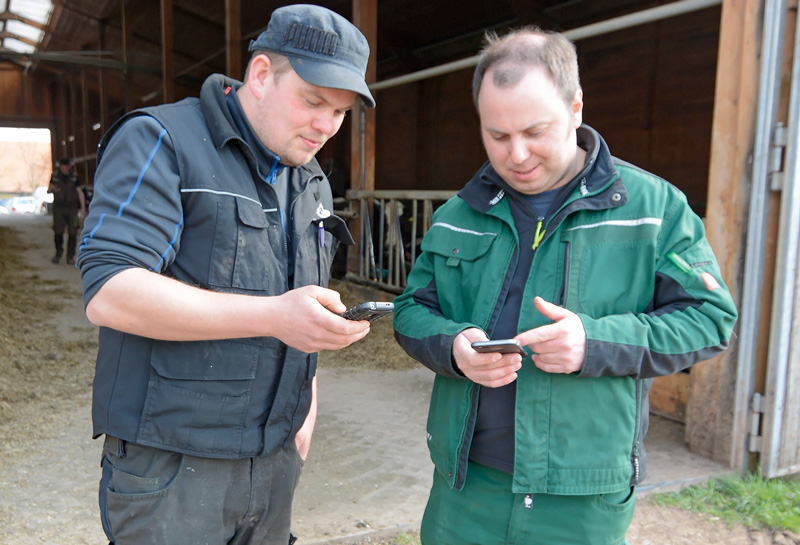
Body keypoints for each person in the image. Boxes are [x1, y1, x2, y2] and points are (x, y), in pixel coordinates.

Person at [393, 27, 738, 545]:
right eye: (497, 135)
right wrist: (453, 347)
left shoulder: (653, 210)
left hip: (581, 498)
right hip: (465, 489)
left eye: (536, 131)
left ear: (576, 108)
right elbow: (410, 310)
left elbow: (710, 319)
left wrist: (593, 343)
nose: (517, 155)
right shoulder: (457, 216)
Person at [76, 5, 375, 545]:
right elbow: (110, 290)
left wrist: (306, 411)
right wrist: (273, 317)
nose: (326, 125)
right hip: (174, 465)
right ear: (261, 75)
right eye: (313, 101)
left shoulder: (311, 183)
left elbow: (302, 306)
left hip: (276, 460)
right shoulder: (163, 141)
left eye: (341, 112)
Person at [48, 157, 87, 264]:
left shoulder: (74, 177)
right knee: (58, 231)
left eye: (67, 166)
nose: (65, 169)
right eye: (63, 166)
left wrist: (83, 209)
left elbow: (80, 192)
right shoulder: (55, 176)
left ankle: (70, 256)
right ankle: (58, 253)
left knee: (73, 232)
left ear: (69, 166)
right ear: (60, 166)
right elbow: (49, 189)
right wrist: (52, 190)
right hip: (59, 208)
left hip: (72, 208)